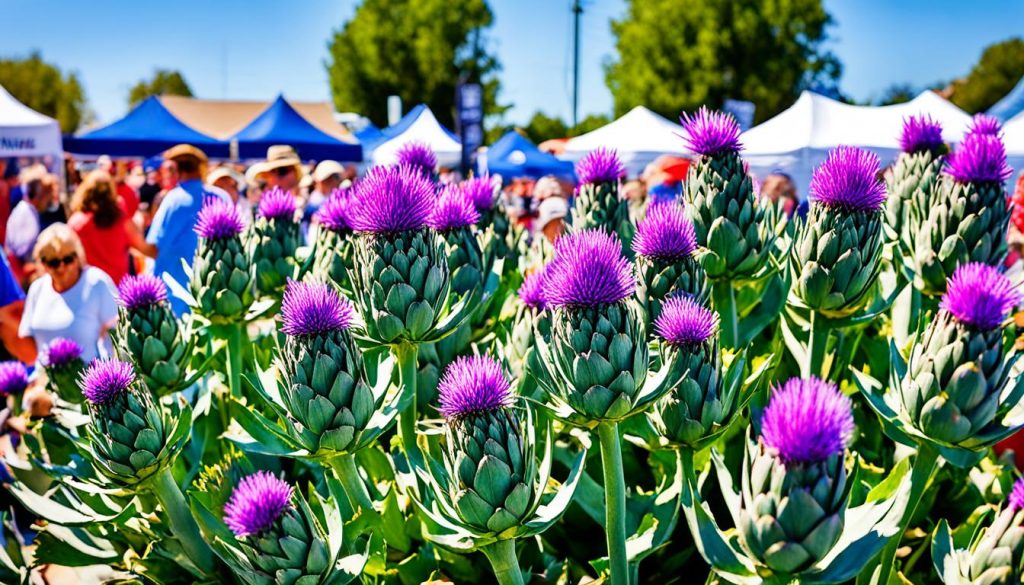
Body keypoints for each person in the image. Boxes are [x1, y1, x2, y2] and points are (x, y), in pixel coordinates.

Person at [18, 224, 118, 363]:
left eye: (67, 259)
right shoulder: (37, 288)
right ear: (42, 264)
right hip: (46, 379)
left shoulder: (96, 282)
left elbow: (117, 328)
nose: (61, 267)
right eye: (53, 262)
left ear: (78, 257)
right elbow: (26, 336)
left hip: (90, 378)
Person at [147, 144, 226, 315]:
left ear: (175, 169)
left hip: (174, 299)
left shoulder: (172, 200)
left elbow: (153, 247)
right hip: (215, 297)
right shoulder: (220, 197)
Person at [68, 170, 154, 284]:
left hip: (87, 290)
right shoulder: (121, 221)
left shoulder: (75, 223)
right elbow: (144, 248)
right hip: (117, 291)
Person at [6, 166, 56, 282]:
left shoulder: (27, 211)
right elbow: (20, 251)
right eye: (47, 195)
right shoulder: (25, 213)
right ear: (38, 194)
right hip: (19, 277)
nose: (48, 200)